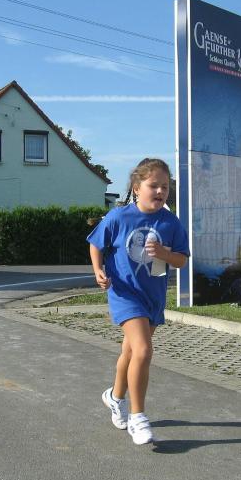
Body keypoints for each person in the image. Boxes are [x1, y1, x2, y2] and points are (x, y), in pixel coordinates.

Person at [87, 158, 189, 445]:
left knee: (131, 353)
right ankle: (138, 416)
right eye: (153, 185)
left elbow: (181, 260)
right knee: (143, 350)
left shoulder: (170, 222)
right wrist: (98, 270)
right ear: (136, 187)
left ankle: (114, 396)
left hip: (152, 296)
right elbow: (95, 243)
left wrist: (165, 254)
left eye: (165, 187)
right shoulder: (119, 217)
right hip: (124, 293)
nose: (160, 191)